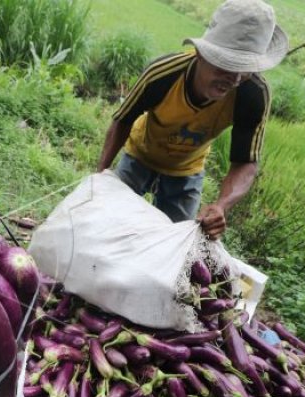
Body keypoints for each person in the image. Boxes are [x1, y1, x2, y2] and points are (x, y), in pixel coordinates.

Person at [96, 0, 288, 239]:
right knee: (105, 220)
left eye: (245, 68)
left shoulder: (253, 93)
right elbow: (123, 119)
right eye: (226, 65)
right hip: (141, 154)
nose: (235, 78)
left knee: (172, 241)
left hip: (187, 168)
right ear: (200, 53)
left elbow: (246, 162)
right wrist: (101, 172)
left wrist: (221, 205)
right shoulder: (164, 74)